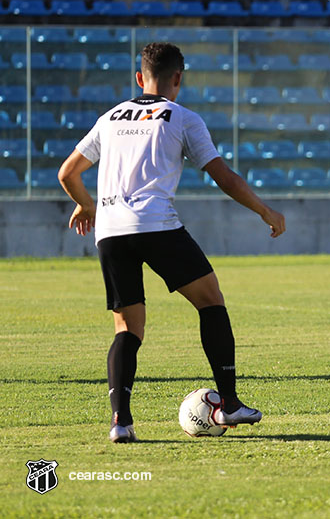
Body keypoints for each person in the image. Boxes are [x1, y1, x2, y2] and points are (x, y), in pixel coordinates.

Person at [58, 42, 286, 443]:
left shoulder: (109, 118)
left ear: (138, 77)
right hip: (156, 224)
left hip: (110, 230)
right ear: (178, 79)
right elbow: (223, 177)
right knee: (211, 301)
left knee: (127, 327)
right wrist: (265, 211)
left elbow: (67, 173)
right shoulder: (182, 117)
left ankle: (120, 423)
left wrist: (86, 204)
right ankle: (229, 403)